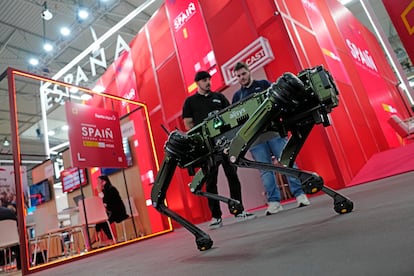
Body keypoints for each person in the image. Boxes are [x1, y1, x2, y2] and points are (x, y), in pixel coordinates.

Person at [232, 62, 310, 216]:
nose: (242, 77)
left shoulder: (264, 85)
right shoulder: (237, 97)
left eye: (243, 74)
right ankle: (274, 202)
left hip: (274, 132)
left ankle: (300, 195)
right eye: (239, 76)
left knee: (288, 161)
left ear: (249, 72)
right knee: (265, 170)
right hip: (255, 139)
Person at [182, 70, 256, 229]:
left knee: (233, 176)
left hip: (224, 144)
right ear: (198, 83)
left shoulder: (219, 98)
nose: (207, 82)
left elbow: (231, 115)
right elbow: (187, 123)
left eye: (209, 79)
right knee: (210, 182)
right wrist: (200, 138)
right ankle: (216, 216)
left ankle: (238, 210)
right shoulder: (190, 102)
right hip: (207, 148)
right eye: (204, 80)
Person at [95, 175, 129, 242]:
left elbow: (105, 202)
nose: (97, 184)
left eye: (98, 182)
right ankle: (99, 238)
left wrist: (99, 192)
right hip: (112, 212)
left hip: (118, 212)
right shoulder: (105, 191)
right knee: (100, 222)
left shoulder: (111, 189)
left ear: (104, 182)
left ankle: (106, 239)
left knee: (103, 222)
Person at [0, 204, 21, 270]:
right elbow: (18, 225)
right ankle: (21, 266)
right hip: (13, 241)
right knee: (20, 243)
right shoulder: (10, 212)